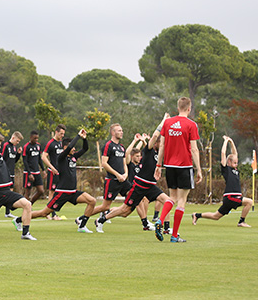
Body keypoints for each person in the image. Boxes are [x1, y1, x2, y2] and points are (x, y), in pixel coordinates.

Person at [94, 117, 172, 233]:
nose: (162, 145)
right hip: (139, 185)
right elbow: (155, 135)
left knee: (168, 201)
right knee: (125, 211)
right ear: (155, 143)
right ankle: (101, 220)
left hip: (150, 186)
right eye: (161, 142)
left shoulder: (159, 153)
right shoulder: (149, 149)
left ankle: (166, 228)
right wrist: (164, 121)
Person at [13, 129, 94, 233]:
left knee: (92, 201)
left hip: (73, 192)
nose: (74, 149)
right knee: (43, 213)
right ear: (65, 148)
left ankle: (82, 226)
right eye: (72, 147)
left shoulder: (74, 157)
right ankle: (18, 220)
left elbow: (85, 148)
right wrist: (77, 136)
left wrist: (84, 138)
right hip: (62, 193)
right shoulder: (61, 158)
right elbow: (69, 147)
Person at [154, 97, 202, 243]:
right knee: (181, 200)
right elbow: (194, 149)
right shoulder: (191, 124)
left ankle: (160, 220)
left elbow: (161, 146)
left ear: (178, 107)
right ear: (189, 108)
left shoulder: (167, 123)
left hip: (169, 166)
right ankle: (174, 235)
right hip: (185, 166)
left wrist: (158, 165)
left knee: (172, 197)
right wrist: (199, 169)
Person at [192, 135, 253, 228]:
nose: (236, 164)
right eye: (234, 162)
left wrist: (231, 142)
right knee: (249, 202)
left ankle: (197, 215)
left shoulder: (235, 170)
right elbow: (223, 153)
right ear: (229, 161)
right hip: (231, 197)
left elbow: (235, 153)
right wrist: (225, 141)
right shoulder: (226, 169)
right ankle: (241, 222)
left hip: (232, 198)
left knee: (216, 216)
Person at [90, 124, 131, 219]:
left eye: (122, 130)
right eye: (119, 130)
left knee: (134, 195)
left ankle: (144, 222)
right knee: (105, 206)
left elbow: (124, 163)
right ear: (113, 132)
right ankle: (83, 217)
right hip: (112, 180)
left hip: (123, 180)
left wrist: (125, 174)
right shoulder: (108, 145)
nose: (122, 132)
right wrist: (117, 175)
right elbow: (104, 163)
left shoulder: (121, 147)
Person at [42, 124, 66, 220]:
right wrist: (52, 167)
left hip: (61, 172)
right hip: (53, 172)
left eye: (63, 134)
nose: (62, 135)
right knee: (52, 193)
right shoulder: (50, 143)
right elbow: (43, 157)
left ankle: (49, 212)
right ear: (56, 132)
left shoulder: (61, 143)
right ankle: (51, 214)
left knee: (59, 193)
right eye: (61, 133)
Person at [0, 130, 23, 218]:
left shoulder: (14, 147)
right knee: (3, 192)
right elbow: (1, 159)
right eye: (17, 141)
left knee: (10, 191)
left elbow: (14, 161)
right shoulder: (5, 145)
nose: (17, 143)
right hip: (5, 173)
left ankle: (7, 212)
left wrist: (18, 154)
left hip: (12, 172)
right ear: (13, 138)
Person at [22, 131, 45, 204]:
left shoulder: (38, 146)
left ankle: (30, 204)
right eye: (35, 138)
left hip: (37, 172)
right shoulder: (26, 147)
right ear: (31, 137)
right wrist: (29, 173)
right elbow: (25, 161)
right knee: (27, 192)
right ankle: (26, 208)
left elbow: (39, 159)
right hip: (28, 173)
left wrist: (43, 170)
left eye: (37, 138)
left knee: (41, 191)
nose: (36, 140)